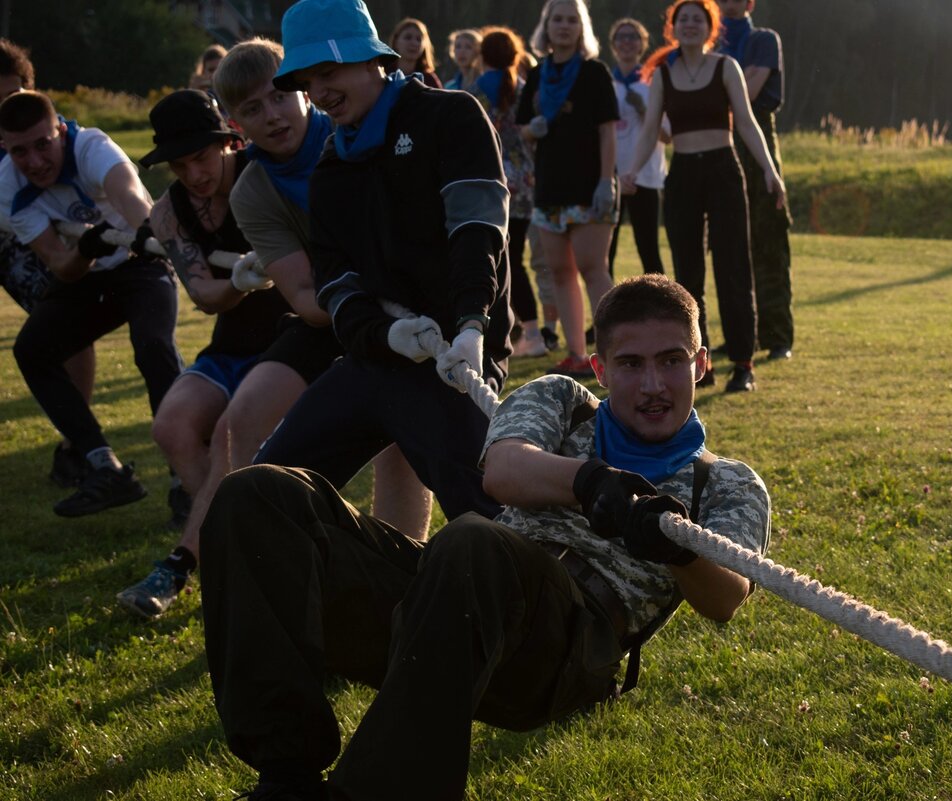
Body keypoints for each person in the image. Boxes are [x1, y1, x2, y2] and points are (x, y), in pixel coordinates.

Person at [201, 274, 771, 800]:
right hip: (455, 603)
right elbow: (503, 470)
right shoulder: (562, 402)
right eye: (630, 364)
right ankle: (286, 776)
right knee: (258, 494)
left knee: (473, 542)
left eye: (671, 361)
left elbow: (725, 598)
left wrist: (672, 548)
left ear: (699, 363)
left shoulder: (724, 482)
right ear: (598, 369)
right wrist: (595, 483)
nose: (652, 385)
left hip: (563, 656)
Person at [114, 37, 433, 620]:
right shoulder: (251, 186)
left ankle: (398, 586)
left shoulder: (350, 134)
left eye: (280, 97)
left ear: (306, 91)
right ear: (239, 122)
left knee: (402, 445)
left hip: (408, 307)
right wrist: (250, 278)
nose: (271, 115)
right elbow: (300, 299)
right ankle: (228, 559)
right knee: (235, 425)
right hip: (324, 312)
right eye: (253, 109)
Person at [251, 0, 512, 524]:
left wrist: (469, 325)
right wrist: (383, 335)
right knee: (265, 491)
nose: (319, 92)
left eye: (329, 71)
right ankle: (354, 588)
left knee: (489, 518)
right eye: (307, 80)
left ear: (375, 61)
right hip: (374, 360)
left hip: (458, 358)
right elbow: (336, 284)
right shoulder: (329, 169)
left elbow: (476, 230)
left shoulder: (451, 116)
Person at [124, 88, 290, 605]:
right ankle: (244, 542)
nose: (194, 174)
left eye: (201, 157)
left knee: (227, 434)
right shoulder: (168, 212)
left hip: (289, 343)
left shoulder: (264, 176)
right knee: (169, 426)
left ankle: (181, 564)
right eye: (180, 165)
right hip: (232, 345)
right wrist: (242, 279)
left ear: (227, 142)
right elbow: (204, 297)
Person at [0, 90, 183, 516]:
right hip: (87, 276)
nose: (34, 161)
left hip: (140, 263)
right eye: (19, 151)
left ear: (60, 130)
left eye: (43, 144)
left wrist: (144, 230)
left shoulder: (92, 146)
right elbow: (61, 266)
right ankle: (104, 466)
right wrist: (87, 247)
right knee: (32, 350)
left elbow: (132, 196)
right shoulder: (7, 186)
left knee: (154, 347)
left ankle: (185, 476)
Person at [625, 0, 785, 393]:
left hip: (723, 171)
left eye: (699, 19)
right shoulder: (663, 74)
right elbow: (649, 132)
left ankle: (743, 364)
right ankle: (701, 362)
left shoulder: (725, 67)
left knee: (734, 266)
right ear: (673, 28)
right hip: (683, 177)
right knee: (688, 274)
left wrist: (769, 169)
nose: (691, 25)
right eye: (684, 20)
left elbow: (747, 123)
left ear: (711, 28)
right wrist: (629, 170)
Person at [0, 38, 96, 489]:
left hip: (22, 239)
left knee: (66, 325)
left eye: (11, 96)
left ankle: (78, 443)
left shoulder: (42, 141)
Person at [516, 0, 619, 379]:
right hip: (550, 189)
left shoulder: (594, 73)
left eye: (572, 20)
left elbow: (608, 130)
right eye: (557, 19)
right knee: (560, 271)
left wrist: (606, 181)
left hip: (591, 187)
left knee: (593, 268)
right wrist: (533, 128)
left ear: (582, 28)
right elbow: (522, 128)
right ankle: (577, 354)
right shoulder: (539, 74)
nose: (564, 26)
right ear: (546, 26)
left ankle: (614, 349)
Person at [719, 0, 793, 361]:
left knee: (768, 242)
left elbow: (743, 96)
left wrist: (704, 95)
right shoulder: (707, 43)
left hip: (756, 136)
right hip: (716, 142)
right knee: (727, 247)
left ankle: (777, 335)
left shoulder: (763, 39)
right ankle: (738, 334)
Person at [470, 26, 543, 358]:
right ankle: (526, 329)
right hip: (526, 184)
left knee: (499, 261)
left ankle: (525, 329)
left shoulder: (476, 92)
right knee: (516, 260)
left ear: (482, 56)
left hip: (492, 184)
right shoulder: (525, 89)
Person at [607, 18, 667, 278]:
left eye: (633, 37)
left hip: (646, 177)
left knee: (649, 251)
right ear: (613, 45)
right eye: (621, 37)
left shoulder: (653, 83)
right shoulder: (606, 85)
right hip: (610, 178)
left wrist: (644, 110)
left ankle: (662, 313)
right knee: (605, 252)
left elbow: (666, 136)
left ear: (643, 44)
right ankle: (604, 315)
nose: (627, 42)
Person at [389, 18, 443, 88]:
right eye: (408, 37)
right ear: (395, 42)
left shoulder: (429, 80)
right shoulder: (383, 74)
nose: (414, 43)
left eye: (419, 39)